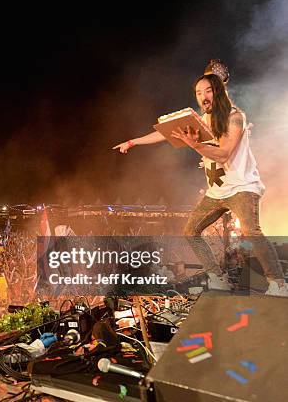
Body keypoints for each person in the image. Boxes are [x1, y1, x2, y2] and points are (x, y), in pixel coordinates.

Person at [115, 70, 286, 296]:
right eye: (198, 92)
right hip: (217, 192)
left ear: (219, 93)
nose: (203, 96)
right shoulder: (202, 120)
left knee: (250, 230)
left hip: (242, 187)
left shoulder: (235, 117)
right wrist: (132, 141)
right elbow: (166, 134)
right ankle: (218, 276)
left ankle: (279, 283)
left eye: (208, 91)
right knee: (190, 231)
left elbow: (224, 154)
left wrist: (195, 145)